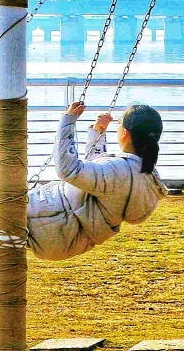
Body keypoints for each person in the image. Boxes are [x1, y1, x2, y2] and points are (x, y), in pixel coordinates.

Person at [22, 100, 166, 261]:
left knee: (1, 190)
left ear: (124, 133)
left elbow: (68, 169)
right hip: (68, 239)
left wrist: (68, 121)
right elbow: (96, 177)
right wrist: (98, 132)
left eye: (119, 122)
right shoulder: (145, 176)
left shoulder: (120, 170)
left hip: (47, 221)